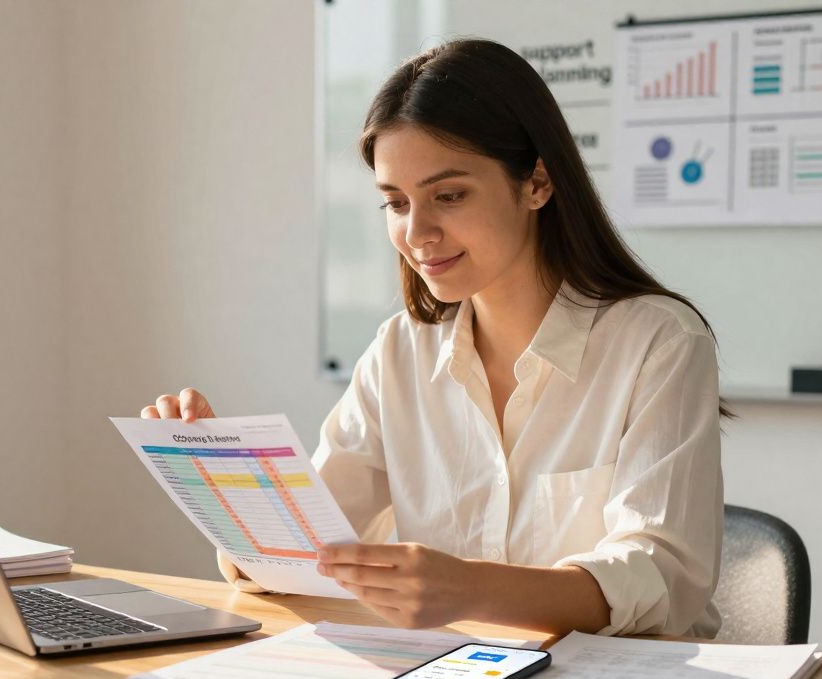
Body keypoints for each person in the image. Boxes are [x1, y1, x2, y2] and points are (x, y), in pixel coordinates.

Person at [141, 39, 725, 637]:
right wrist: (222, 475)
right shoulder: (400, 351)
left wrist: (470, 590)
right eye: (396, 202)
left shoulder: (661, 342)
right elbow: (312, 550)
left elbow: (658, 578)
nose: (417, 232)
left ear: (538, 183)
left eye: (449, 195)